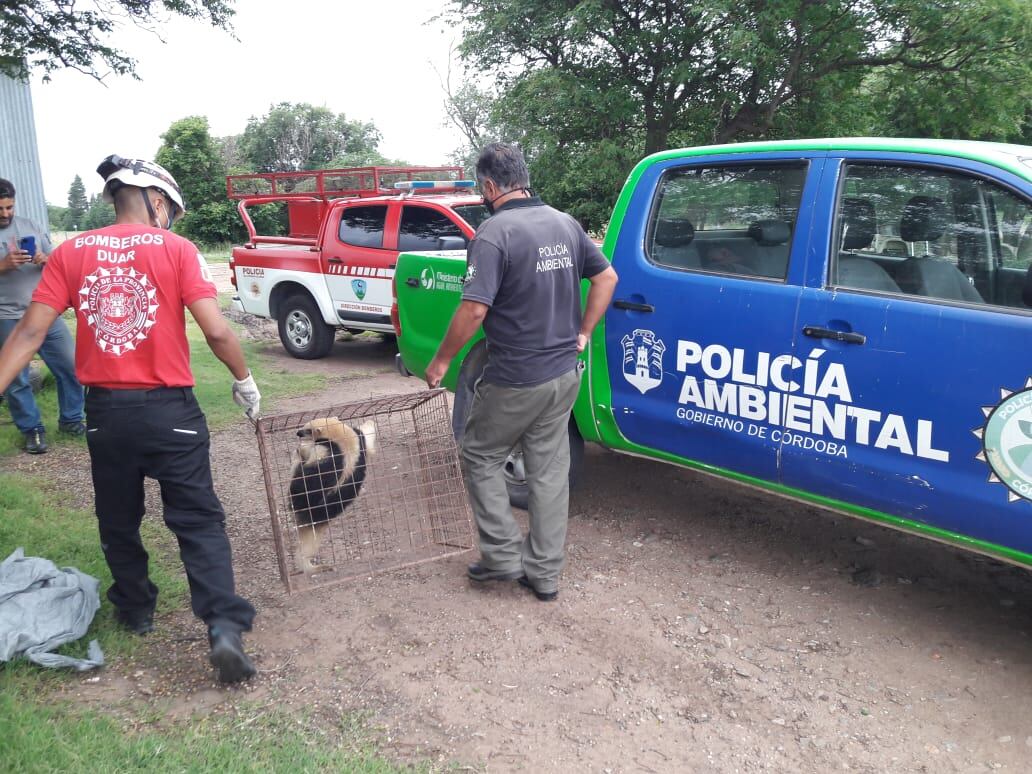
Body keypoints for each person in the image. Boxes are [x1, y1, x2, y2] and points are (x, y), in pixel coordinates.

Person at [0, 156, 263, 683]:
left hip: (106, 414)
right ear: (158, 202)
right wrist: (243, 378)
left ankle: (136, 609)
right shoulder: (178, 250)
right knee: (198, 520)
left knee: (118, 517)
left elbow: (29, 334)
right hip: (172, 413)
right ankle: (223, 628)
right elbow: (214, 331)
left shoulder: (71, 252)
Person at [425, 143, 618, 602]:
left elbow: (473, 310)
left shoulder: (494, 233)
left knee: (479, 453)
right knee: (549, 472)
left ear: (490, 186)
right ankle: (544, 575)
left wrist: (442, 361)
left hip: (515, 376)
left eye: (481, 188)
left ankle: (503, 557)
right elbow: (607, 278)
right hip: (564, 374)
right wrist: (584, 331)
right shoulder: (564, 222)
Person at [0, 177, 85, 453]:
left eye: (9, 207)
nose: (5, 214)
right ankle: (32, 429)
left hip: (44, 309)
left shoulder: (30, 226)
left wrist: (46, 259)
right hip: (5, 315)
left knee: (71, 366)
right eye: (0, 209)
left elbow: (58, 260)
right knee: (17, 378)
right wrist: (3, 265)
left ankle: (72, 420)